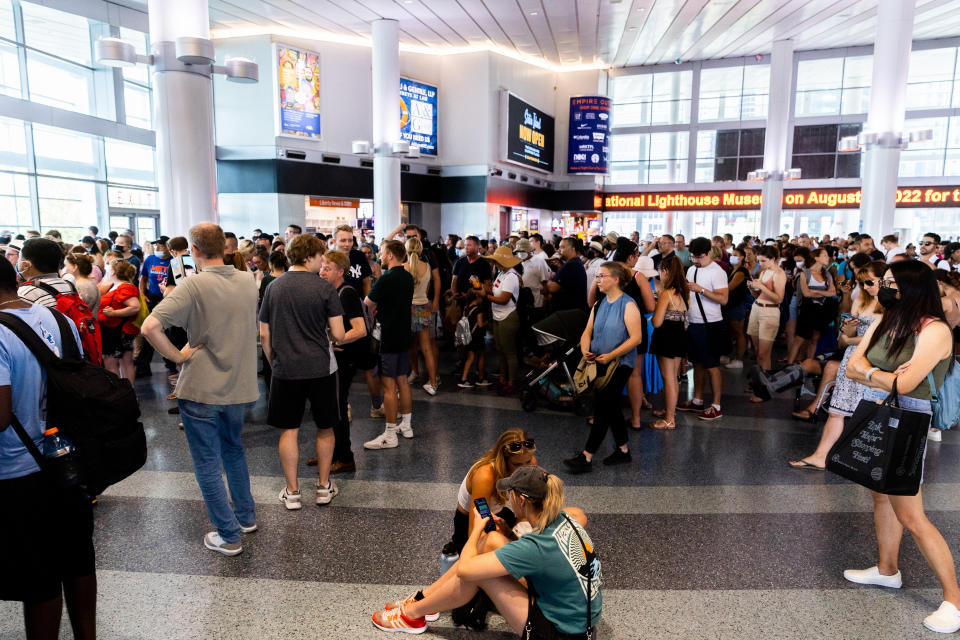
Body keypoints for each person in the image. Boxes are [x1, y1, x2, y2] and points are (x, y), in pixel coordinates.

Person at [842, 260, 960, 634]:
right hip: (877, 408)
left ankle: (954, 599)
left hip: (908, 418)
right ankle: (887, 569)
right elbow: (851, 365)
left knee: (912, 515)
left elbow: (906, 386)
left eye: (891, 283)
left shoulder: (935, 330)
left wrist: (873, 375)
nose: (883, 288)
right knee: (880, 495)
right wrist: (882, 377)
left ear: (912, 288)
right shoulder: (886, 318)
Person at [141, 223, 260, 556]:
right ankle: (245, 517)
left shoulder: (193, 285)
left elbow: (150, 326)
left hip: (201, 386)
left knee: (207, 462)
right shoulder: (247, 280)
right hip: (239, 384)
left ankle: (228, 535)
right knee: (233, 450)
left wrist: (178, 356)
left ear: (193, 250)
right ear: (225, 246)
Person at [372, 466, 601, 637]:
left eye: (510, 493)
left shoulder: (535, 546)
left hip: (562, 633)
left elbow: (465, 569)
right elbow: (580, 516)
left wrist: (477, 528)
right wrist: (508, 534)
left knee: (478, 573)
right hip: (581, 619)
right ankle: (423, 599)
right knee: (492, 541)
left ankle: (411, 615)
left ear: (521, 500)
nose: (507, 497)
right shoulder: (566, 519)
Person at [0, 258, 96, 640]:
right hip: (68, 458)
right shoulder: (58, 319)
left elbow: (0, 416)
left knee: (38, 574)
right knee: (77, 559)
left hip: (19, 469)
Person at [259, 234, 345, 510]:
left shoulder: (274, 287)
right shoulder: (324, 288)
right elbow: (340, 333)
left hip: (286, 369)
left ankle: (293, 492)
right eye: (320, 256)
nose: (322, 261)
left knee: (289, 430)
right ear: (308, 256)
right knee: (325, 427)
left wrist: (275, 363)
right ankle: (323, 487)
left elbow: (264, 334)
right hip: (320, 368)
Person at [788, 262, 884, 467]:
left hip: (872, 361)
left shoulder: (891, 307)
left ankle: (863, 459)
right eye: (862, 282)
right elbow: (845, 337)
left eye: (869, 282)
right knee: (836, 410)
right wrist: (848, 329)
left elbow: (881, 338)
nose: (865, 287)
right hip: (852, 359)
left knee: (868, 413)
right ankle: (821, 456)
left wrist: (851, 339)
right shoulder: (861, 301)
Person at [564, 262, 643, 474]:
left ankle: (587, 456)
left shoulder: (628, 305)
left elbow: (636, 338)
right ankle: (623, 450)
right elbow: (587, 331)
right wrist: (585, 349)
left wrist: (611, 355)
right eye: (597, 276)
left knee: (604, 406)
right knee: (611, 405)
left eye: (602, 276)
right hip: (599, 360)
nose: (597, 279)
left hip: (620, 363)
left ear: (615, 279)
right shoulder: (599, 304)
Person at [441, 429, 540, 556]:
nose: (524, 469)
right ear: (503, 460)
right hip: (472, 520)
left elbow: (528, 508)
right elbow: (476, 530)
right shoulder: (485, 476)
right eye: (517, 464)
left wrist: (517, 534)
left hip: (498, 513)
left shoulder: (531, 463)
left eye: (527, 461)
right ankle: (457, 542)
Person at [320, 250, 370, 473]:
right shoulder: (333, 291)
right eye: (322, 266)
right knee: (331, 405)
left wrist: (335, 341)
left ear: (340, 271)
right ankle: (329, 453)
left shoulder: (346, 293)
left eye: (327, 268)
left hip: (345, 359)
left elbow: (360, 329)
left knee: (338, 407)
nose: (322, 271)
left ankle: (346, 458)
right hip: (336, 358)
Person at [364, 240, 416, 450]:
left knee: (388, 386)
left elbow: (367, 303)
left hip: (388, 336)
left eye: (383, 253)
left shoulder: (386, 279)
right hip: (404, 334)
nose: (380, 256)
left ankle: (390, 433)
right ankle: (407, 425)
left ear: (391, 255)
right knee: (403, 380)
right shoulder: (408, 277)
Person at [678, 237, 729, 421]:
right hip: (693, 323)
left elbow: (723, 299)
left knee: (712, 365)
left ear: (708, 253)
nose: (696, 261)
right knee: (697, 363)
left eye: (699, 257)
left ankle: (716, 405)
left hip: (711, 324)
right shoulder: (691, 269)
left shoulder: (717, 272)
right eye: (693, 257)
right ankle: (697, 400)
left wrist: (701, 290)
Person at [650, 256, 689, 430]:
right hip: (679, 334)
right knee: (673, 378)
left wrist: (657, 304)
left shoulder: (666, 293)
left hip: (667, 337)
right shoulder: (683, 290)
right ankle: (669, 410)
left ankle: (669, 419)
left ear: (665, 271)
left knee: (669, 379)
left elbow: (657, 322)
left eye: (659, 272)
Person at [483, 246, 523, 395]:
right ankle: (502, 379)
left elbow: (504, 299)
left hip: (508, 317)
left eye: (498, 261)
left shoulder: (511, 276)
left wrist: (485, 296)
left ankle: (511, 382)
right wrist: (483, 288)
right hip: (498, 316)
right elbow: (495, 291)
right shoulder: (501, 273)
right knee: (500, 350)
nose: (496, 264)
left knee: (510, 352)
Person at [404, 236, 440, 396]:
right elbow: (427, 289)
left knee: (409, 345)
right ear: (420, 250)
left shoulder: (403, 267)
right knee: (426, 347)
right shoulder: (427, 266)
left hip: (407, 309)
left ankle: (409, 376)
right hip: (424, 307)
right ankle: (433, 383)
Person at [787, 247, 837, 364]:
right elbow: (806, 293)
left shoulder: (827, 274)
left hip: (822, 310)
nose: (827, 258)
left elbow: (833, 292)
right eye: (824, 255)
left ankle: (808, 363)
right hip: (808, 310)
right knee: (800, 337)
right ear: (816, 258)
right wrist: (824, 293)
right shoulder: (805, 274)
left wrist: (817, 292)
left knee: (815, 338)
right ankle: (789, 364)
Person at [135, 237, 173, 377]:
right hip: (152, 297)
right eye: (156, 246)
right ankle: (143, 366)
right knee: (148, 331)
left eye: (160, 246)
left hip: (168, 299)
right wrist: (143, 292)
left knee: (167, 333)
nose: (157, 249)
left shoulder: (173, 262)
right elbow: (143, 277)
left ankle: (171, 364)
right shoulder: (150, 259)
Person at [745, 245, 786, 377]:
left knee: (764, 353)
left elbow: (779, 299)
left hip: (770, 312)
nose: (760, 264)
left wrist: (762, 286)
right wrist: (752, 288)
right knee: (757, 351)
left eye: (763, 261)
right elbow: (759, 295)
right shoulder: (763, 272)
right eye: (759, 261)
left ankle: (764, 385)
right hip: (757, 308)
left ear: (772, 259)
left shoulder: (779, 273)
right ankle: (759, 380)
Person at [97, 260, 140, 383]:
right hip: (114, 331)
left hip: (119, 332)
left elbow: (135, 307)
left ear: (113, 271)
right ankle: (125, 393)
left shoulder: (125, 287)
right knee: (122, 363)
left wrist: (114, 313)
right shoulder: (115, 285)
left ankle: (123, 394)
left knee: (118, 363)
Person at [722, 246, 751, 370]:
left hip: (737, 305)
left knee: (739, 332)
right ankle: (727, 355)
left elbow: (729, 287)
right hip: (729, 305)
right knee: (730, 332)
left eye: (736, 255)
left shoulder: (741, 272)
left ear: (742, 257)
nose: (733, 257)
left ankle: (739, 359)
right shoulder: (731, 270)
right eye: (732, 254)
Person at [457, 286, 489, 388]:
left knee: (470, 358)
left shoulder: (467, 307)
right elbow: (479, 324)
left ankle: (463, 379)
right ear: (477, 297)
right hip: (477, 337)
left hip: (468, 336)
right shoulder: (479, 309)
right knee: (481, 355)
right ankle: (481, 378)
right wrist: (486, 322)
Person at [546, 236, 587, 312]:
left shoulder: (571, 265)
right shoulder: (573, 263)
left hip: (567, 313)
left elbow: (553, 288)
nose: (558, 250)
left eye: (562, 247)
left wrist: (548, 282)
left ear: (572, 249)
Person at [334, 224, 372, 296]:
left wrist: (366, 305)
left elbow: (366, 282)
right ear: (335, 241)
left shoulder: (359, 256)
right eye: (343, 240)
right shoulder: (328, 258)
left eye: (350, 240)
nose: (347, 244)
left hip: (358, 302)